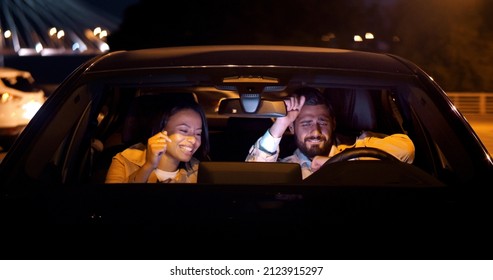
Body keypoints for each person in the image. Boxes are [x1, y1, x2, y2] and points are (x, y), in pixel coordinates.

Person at [246, 87, 415, 179]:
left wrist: (340, 162)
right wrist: (279, 125)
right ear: (291, 128)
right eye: (306, 123)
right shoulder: (285, 167)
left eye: (322, 122)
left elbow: (406, 150)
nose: (316, 131)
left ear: (333, 123)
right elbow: (251, 177)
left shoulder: (355, 146)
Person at [105, 97, 210, 183]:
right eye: (184, 130)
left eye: (198, 133)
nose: (193, 139)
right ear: (161, 129)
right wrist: (149, 166)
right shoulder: (124, 161)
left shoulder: (199, 170)